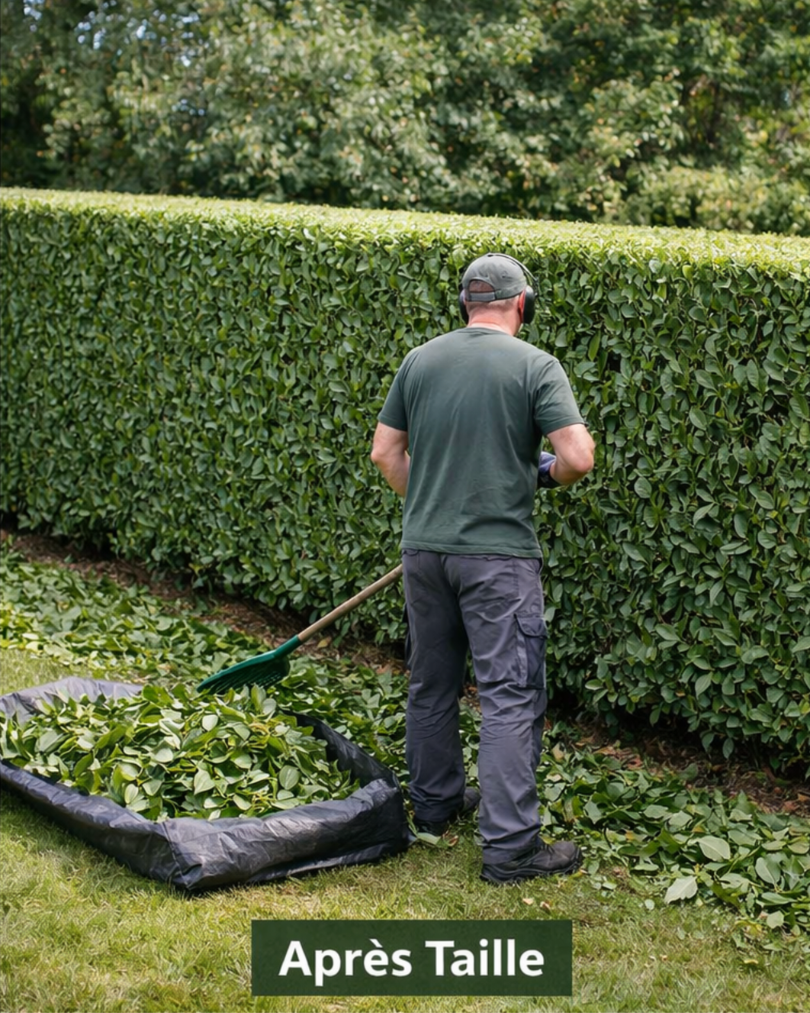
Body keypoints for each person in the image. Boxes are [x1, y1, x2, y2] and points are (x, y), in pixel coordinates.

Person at [370, 251, 595, 885]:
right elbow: (578, 457)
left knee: (431, 683)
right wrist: (543, 474)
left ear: (465, 303)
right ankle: (510, 848)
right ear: (523, 304)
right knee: (508, 696)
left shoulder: (420, 360)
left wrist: (431, 507)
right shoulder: (535, 366)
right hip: (498, 561)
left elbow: (385, 453)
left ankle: (436, 807)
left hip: (424, 553)